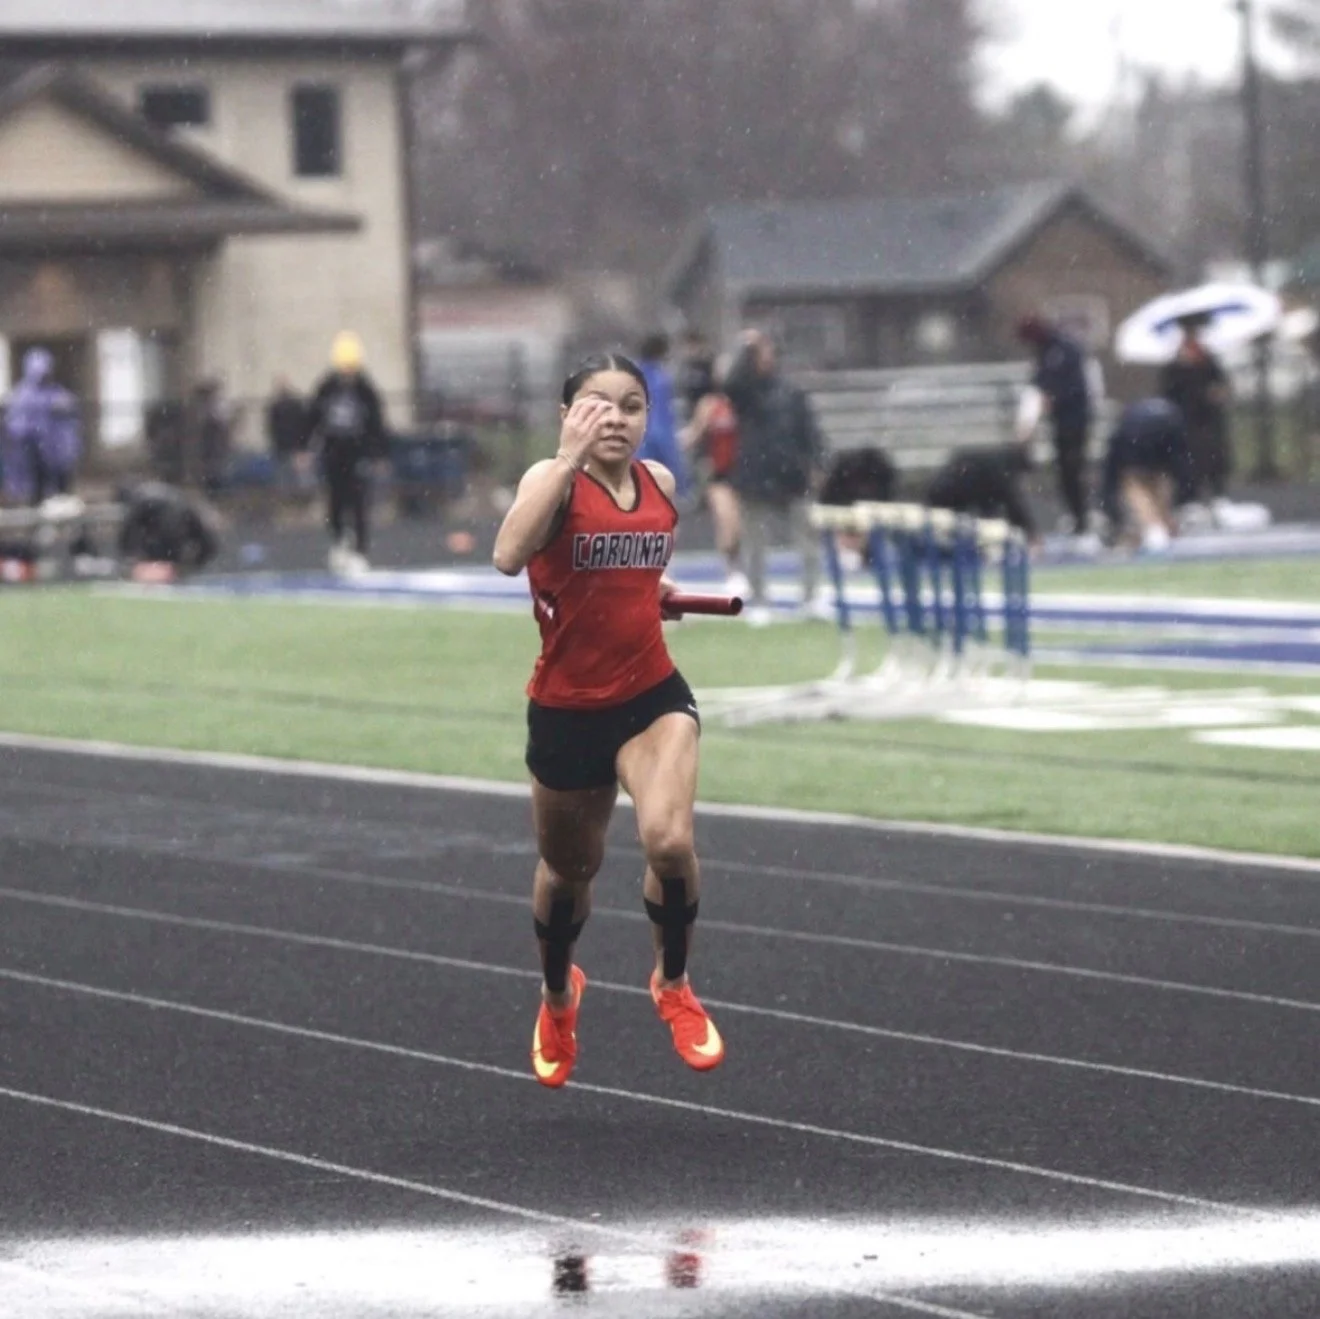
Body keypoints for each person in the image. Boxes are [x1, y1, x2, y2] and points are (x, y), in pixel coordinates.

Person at [491, 351, 725, 1089]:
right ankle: (560, 994)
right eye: (597, 404)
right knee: (570, 870)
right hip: (567, 710)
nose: (615, 418)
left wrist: (653, 590)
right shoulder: (549, 480)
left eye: (630, 405)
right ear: (568, 416)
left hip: (650, 695)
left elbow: (630, 572)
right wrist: (563, 460)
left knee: (669, 839)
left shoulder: (659, 484)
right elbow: (507, 555)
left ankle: (673, 983)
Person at [723, 329, 828, 624]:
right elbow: (729, 383)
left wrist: (818, 463)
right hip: (755, 475)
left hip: (792, 475)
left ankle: (811, 597)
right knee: (755, 542)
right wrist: (745, 348)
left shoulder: (791, 393)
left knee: (806, 538)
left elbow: (810, 430)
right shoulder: (746, 392)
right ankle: (759, 600)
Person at [306, 332, 388, 574]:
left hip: (358, 455)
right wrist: (304, 448)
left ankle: (360, 551)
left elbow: (377, 424)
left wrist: (379, 454)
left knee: (360, 503)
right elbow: (312, 418)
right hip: (333, 455)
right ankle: (339, 543)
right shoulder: (326, 388)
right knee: (335, 503)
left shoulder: (366, 390)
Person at [1016, 315, 1093, 538]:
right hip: (1062, 421)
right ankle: (1077, 516)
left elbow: (1063, 388)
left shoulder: (1061, 351)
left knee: (1072, 468)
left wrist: (1052, 400)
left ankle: (1082, 518)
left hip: (1074, 420)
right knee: (1065, 470)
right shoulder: (1047, 352)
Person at [680, 353, 745, 593]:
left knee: (740, 526)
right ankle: (732, 570)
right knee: (727, 522)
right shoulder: (709, 404)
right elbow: (693, 434)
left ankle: (742, 567)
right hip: (718, 473)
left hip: (743, 472)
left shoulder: (745, 403)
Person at [1100, 397, 1195, 553]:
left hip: (1143, 434)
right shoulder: (1167, 418)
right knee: (1157, 478)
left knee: (1135, 482)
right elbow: (1180, 467)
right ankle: (1162, 524)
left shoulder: (1124, 432)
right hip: (1164, 430)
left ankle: (1155, 528)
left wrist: (1112, 514)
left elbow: (1113, 479)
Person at [1159, 313, 1231, 502]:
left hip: (1208, 417)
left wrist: (1217, 393)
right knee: (1187, 458)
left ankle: (1216, 493)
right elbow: (1168, 391)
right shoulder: (1175, 363)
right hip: (1185, 417)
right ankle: (1189, 496)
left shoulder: (1208, 358)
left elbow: (1221, 383)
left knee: (1212, 455)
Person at [3, 348, 82, 506]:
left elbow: (70, 415)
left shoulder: (56, 393)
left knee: (61, 491)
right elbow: (16, 425)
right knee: (37, 490)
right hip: (33, 453)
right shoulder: (23, 395)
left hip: (57, 454)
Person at [926, 443, 1039, 546]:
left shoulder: (994, 464)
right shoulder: (1001, 470)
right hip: (951, 492)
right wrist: (1030, 531)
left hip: (951, 488)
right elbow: (1012, 503)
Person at [635, 333, 690, 499]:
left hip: (634, 449)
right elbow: (661, 424)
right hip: (655, 448)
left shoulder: (633, 375)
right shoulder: (661, 380)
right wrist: (680, 475)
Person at [265, 376, 310, 492]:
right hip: (286, 444)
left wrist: (302, 444)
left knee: (295, 473)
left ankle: (296, 494)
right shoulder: (278, 406)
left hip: (291, 444)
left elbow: (302, 424)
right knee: (288, 473)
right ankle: (292, 494)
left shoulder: (288, 405)